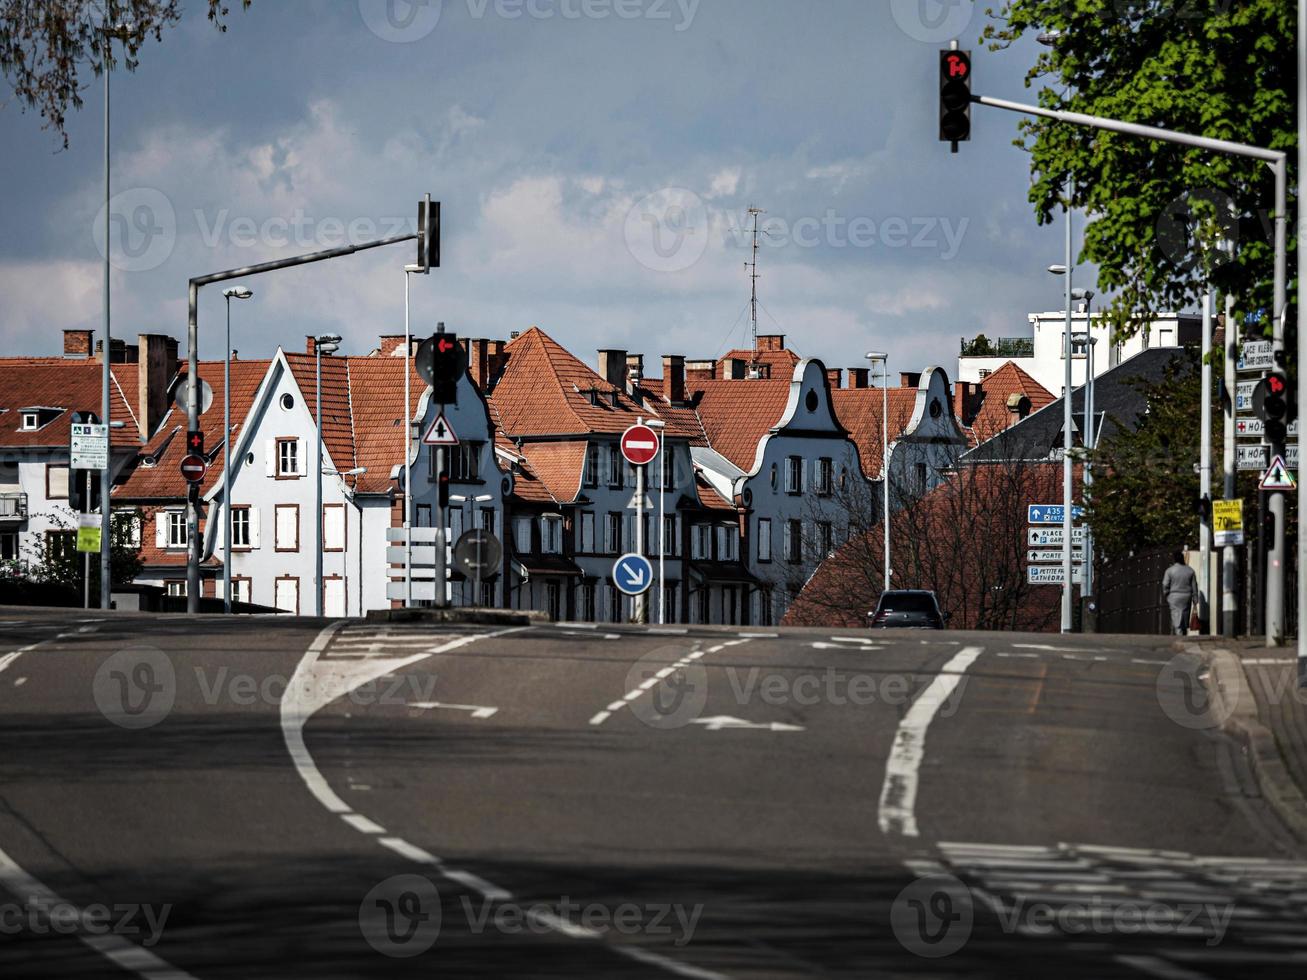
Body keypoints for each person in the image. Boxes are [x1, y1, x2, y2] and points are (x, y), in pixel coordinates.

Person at [1161, 551, 1198, 636]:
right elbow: (1194, 586)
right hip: (1186, 596)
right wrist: (1195, 598)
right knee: (1185, 615)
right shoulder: (1190, 570)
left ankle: (1179, 634)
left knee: (1176, 616)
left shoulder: (1169, 571)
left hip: (1174, 596)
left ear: (1174, 559)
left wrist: (1166, 594)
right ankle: (1183, 633)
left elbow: (1165, 584)